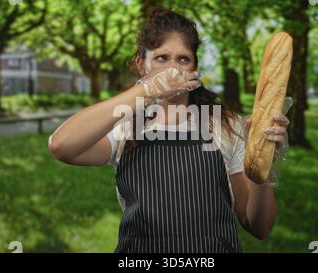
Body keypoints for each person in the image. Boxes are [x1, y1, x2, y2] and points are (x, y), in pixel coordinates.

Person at [48, 8, 290, 253]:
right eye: (162, 58)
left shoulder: (224, 124)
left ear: (195, 68)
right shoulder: (126, 124)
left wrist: (263, 165)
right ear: (141, 65)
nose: (173, 70)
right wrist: (146, 91)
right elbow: (62, 146)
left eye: (183, 59)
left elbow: (258, 227)